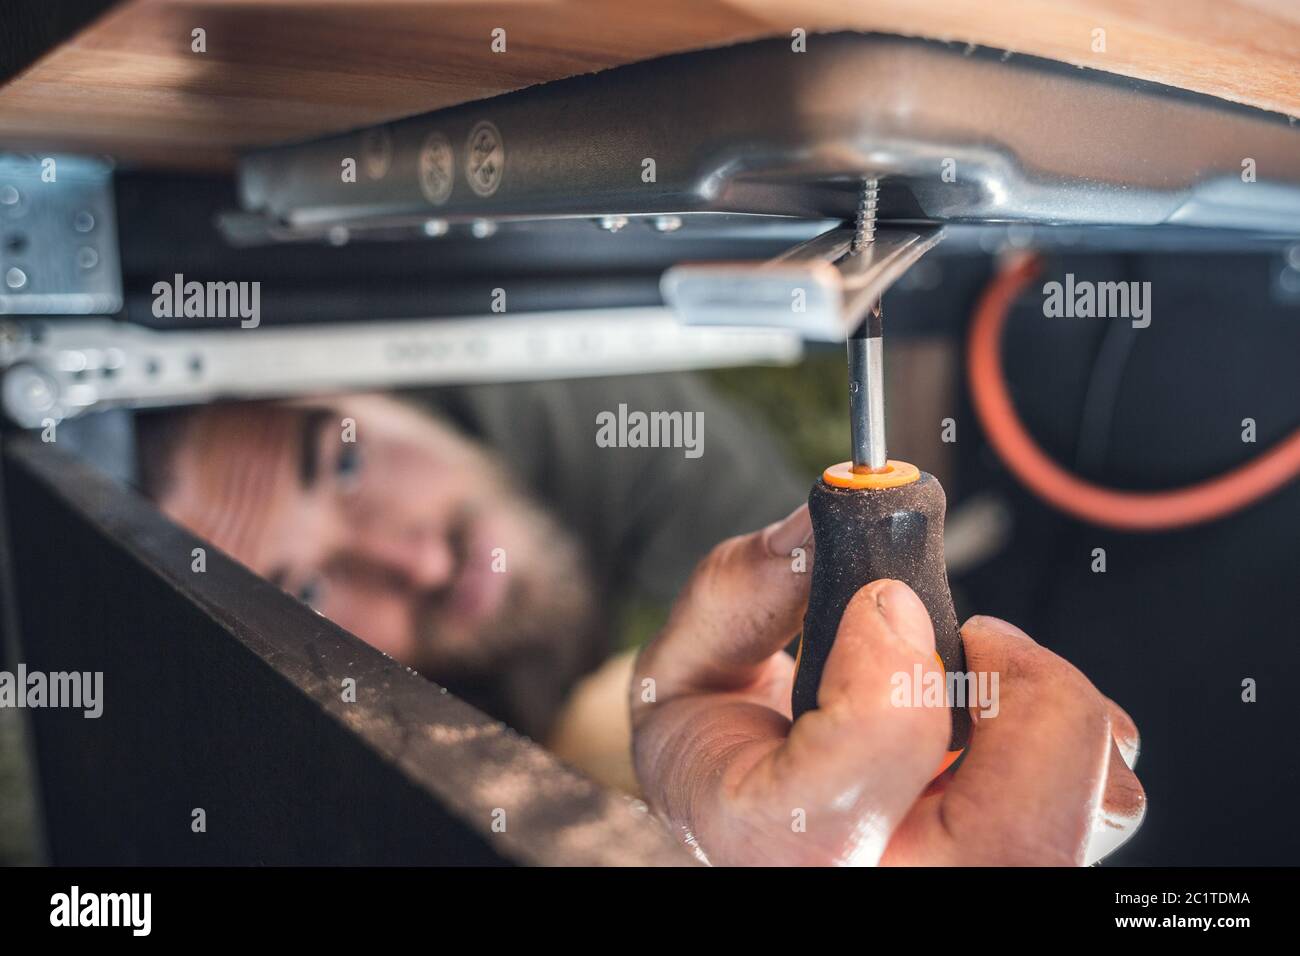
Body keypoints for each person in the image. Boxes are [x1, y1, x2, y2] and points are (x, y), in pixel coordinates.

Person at [135, 373, 1144, 865]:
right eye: (307, 591)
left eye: (344, 460)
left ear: (375, 384)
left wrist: (641, 736)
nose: (415, 556)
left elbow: (732, 697)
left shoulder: (582, 404)